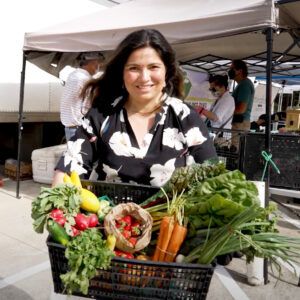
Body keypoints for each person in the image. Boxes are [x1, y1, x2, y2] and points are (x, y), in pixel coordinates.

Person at [52, 29, 217, 187]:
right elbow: (70, 166)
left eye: (153, 67)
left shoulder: (186, 117)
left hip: (170, 216)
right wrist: (59, 204)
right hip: (108, 214)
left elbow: (212, 176)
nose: (144, 78)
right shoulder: (101, 116)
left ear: (166, 72)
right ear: (122, 73)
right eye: (134, 68)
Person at [60, 52, 104, 141]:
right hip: (79, 128)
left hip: (70, 126)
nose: (99, 66)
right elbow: (88, 107)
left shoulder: (73, 75)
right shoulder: (85, 79)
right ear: (93, 63)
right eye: (98, 63)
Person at [228, 60, 255, 149]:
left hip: (240, 124)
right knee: (236, 150)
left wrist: (225, 113)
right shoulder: (242, 84)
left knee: (237, 151)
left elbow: (241, 109)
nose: (230, 70)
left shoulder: (245, 85)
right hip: (239, 123)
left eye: (232, 68)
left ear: (240, 70)